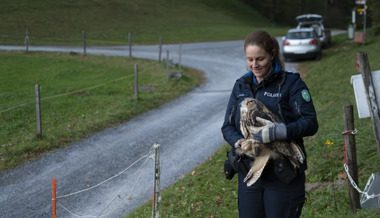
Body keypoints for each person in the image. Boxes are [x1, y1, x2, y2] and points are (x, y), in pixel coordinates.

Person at [221, 30, 318, 218]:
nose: (254, 65)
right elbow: (227, 127)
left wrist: (278, 132)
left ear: (272, 54)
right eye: (250, 59)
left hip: (282, 173)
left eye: (260, 59)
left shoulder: (291, 83)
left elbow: (310, 123)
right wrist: (241, 143)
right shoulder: (240, 86)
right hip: (250, 172)